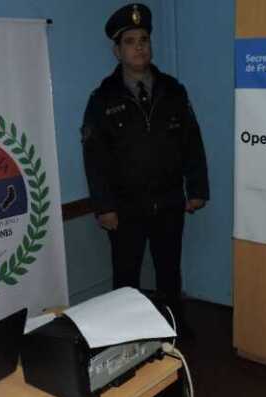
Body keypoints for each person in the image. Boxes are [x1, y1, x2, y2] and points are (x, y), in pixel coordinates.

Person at [81, 3, 209, 336]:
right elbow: (94, 157)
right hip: (125, 207)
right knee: (126, 276)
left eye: (144, 40)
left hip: (168, 200)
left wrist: (197, 188)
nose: (139, 47)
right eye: (130, 41)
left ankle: (173, 325)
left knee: (169, 271)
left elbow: (192, 141)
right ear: (117, 50)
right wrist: (104, 206)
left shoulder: (173, 91)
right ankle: (126, 334)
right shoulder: (102, 99)